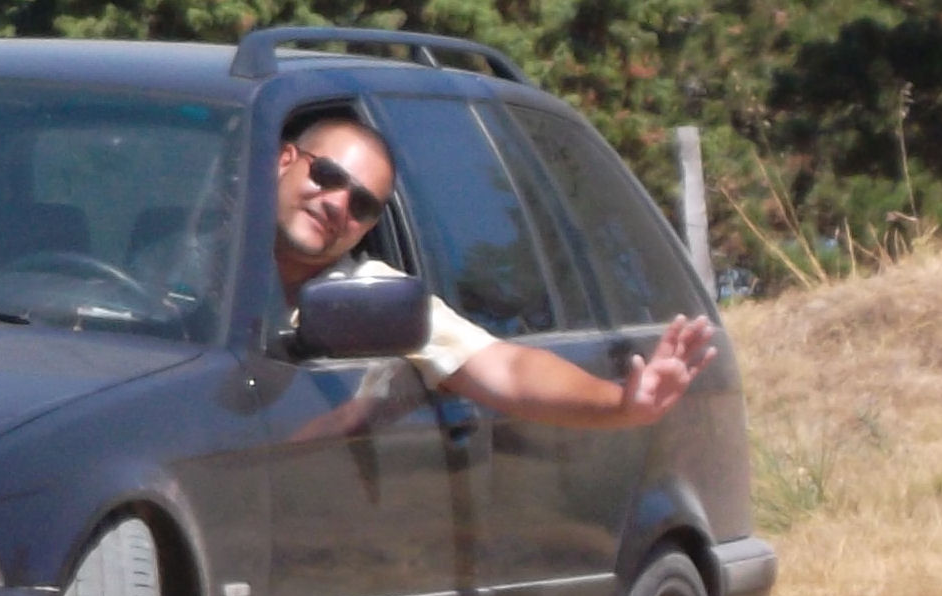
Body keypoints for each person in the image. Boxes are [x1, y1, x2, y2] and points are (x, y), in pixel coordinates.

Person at [277, 111, 715, 427]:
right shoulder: (226, 263)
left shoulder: (374, 297)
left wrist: (621, 403)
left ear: (370, 226)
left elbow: (508, 369)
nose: (336, 204)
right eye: (327, 175)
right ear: (284, 160)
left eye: (362, 205)